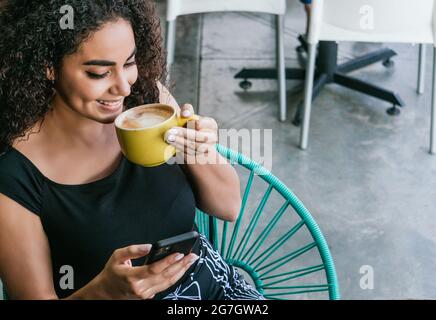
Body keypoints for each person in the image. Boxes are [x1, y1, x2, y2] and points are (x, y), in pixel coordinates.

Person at [0, 0, 264, 300]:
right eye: (99, 73)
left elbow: (228, 206)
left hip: (215, 290)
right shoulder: (14, 177)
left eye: (129, 63)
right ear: (48, 67)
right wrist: (102, 292)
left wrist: (199, 150)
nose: (124, 88)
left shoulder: (150, 101)